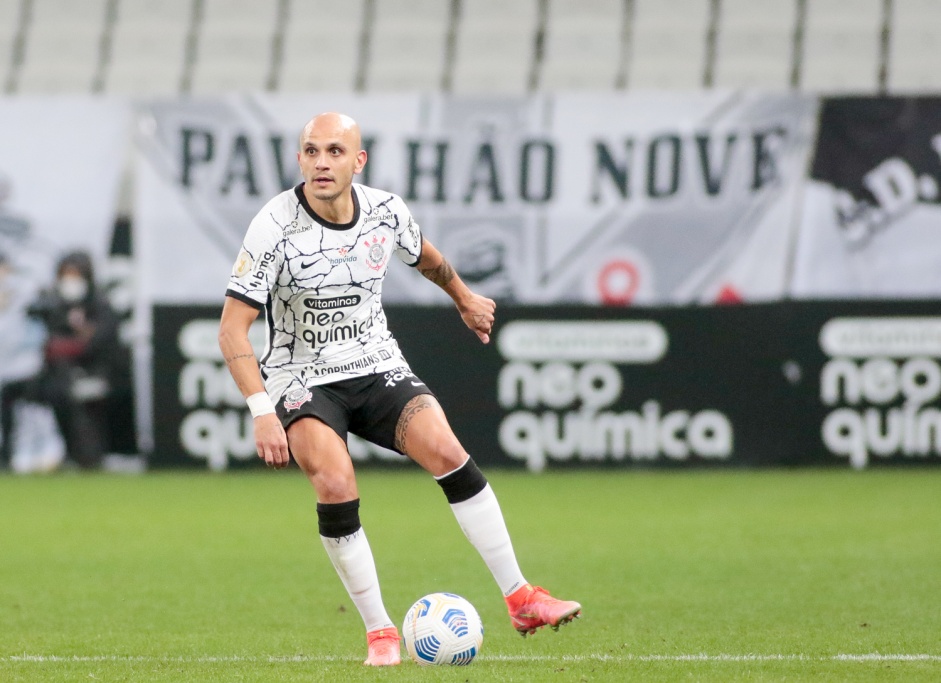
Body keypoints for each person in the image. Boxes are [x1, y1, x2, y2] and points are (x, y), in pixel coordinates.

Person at [218, 112, 581, 666]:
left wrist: (464, 298)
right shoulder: (274, 226)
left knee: (448, 451)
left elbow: (427, 258)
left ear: (357, 161)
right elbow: (231, 329)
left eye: (335, 151)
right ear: (299, 160)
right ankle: (380, 632)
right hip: (302, 377)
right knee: (336, 481)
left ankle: (521, 597)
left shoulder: (385, 211)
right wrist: (262, 410)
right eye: (311, 151)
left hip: (375, 362)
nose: (321, 162)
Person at [0, 250, 121, 469]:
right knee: (14, 393)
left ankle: (82, 456)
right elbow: (40, 337)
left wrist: (70, 342)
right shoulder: (51, 304)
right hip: (49, 376)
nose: (70, 281)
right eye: (66, 274)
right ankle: (11, 454)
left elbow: (98, 343)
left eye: (76, 275)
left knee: (67, 395)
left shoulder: (99, 305)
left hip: (90, 372)